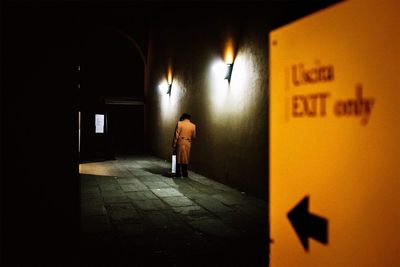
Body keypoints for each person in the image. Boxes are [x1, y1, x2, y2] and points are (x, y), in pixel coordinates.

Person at [172, 113, 196, 178]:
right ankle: (185, 173)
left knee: (178, 158)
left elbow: (176, 135)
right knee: (185, 158)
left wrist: (174, 144)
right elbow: (193, 136)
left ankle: (178, 173)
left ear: (183, 117)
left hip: (180, 141)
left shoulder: (179, 123)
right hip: (188, 143)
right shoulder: (193, 125)